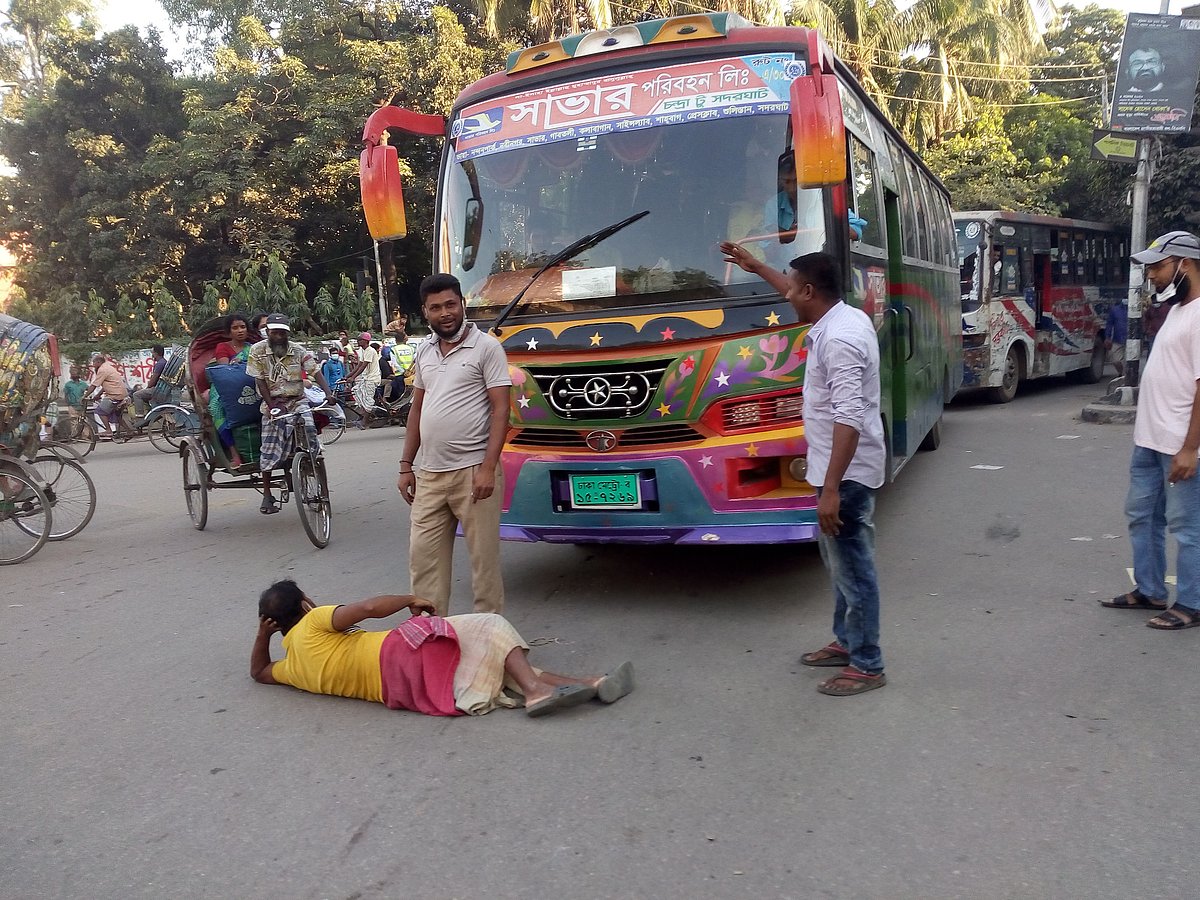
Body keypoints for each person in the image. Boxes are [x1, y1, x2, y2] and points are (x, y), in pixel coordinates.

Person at [720, 243, 887, 696]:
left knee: (854, 568)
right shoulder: (840, 317)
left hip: (846, 474)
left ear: (810, 291)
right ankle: (847, 640)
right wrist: (757, 267)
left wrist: (831, 489)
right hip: (834, 469)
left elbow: (848, 418)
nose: (786, 296)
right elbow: (795, 289)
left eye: (792, 289)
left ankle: (868, 665)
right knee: (838, 566)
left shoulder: (840, 340)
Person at [250, 580, 634, 718]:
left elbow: (259, 673)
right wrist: (410, 598)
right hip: (401, 653)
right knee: (489, 626)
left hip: (404, 691)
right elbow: (367, 609)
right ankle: (535, 692)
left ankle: (589, 683)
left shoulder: (292, 668)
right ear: (304, 605)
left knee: (491, 660)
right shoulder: (315, 621)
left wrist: (262, 637)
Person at [397, 274, 513, 616]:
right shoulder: (424, 351)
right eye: (436, 308)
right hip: (430, 475)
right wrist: (406, 466)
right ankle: (432, 643)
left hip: (474, 472)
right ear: (425, 312)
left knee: (484, 568)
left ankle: (489, 646)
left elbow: (501, 409)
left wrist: (488, 469)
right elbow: (417, 409)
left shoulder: (487, 348)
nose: (444, 313)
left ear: (462, 304)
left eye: (450, 304)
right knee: (424, 564)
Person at [1103, 231, 1200, 629]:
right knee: (1142, 516)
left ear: (1185, 264)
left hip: (1179, 443)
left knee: (1187, 527)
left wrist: (1190, 449)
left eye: (1158, 267)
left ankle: (1192, 604)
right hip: (1150, 441)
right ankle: (1150, 589)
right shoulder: (1179, 310)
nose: (1152, 276)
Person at [245, 314, 333, 514]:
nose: (278, 335)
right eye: (274, 331)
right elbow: (259, 380)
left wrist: (328, 394)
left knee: (311, 433)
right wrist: (273, 405)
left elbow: (315, 370)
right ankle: (267, 496)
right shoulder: (257, 351)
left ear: (287, 333)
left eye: (282, 332)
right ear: (268, 332)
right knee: (268, 447)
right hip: (272, 403)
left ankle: (318, 478)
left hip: (297, 400)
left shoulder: (297, 349)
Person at [209, 313, 253, 466]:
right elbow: (224, 371)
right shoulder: (222, 347)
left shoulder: (252, 348)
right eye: (235, 328)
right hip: (227, 387)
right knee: (216, 408)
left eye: (243, 327)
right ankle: (234, 453)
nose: (240, 330)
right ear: (229, 332)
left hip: (251, 384)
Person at [86, 352, 129, 440]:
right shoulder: (108, 367)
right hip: (120, 393)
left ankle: (108, 430)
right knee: (117, 415)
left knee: (100, 411)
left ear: (98, 362)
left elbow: (94, 385)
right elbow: (107, 385)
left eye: (94, 363)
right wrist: (98, 395)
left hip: (115, 395)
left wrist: (85, 396)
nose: (93, 365)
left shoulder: (102, 370)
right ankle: (129, 430)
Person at [345, 332, 381, 427]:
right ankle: (362, 416)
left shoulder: (370, 351)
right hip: (367, 378)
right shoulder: (364, 351)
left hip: (372, 379)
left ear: (366, 341)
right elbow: (358, 366)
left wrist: (353, 378)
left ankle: (364, 422)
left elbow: (363, 367)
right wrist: (347, 376)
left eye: (360, 340)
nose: (358, 341)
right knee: (356, 391)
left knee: (368, 400)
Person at [132, 345, 167, 418]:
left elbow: (153, 380)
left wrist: (147, 388)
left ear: (156, 353)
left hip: (157, 390)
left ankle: (140, 415)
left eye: (153, 353)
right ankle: (148, 411)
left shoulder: (159, 364)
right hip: (161, 389)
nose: (152, 355)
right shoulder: (164, 362)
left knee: (136, 394)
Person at [1104, 297, 1128, 378]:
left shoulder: (1136, 309)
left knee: (1128, 361)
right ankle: (1121, 373)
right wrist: (1107, 337)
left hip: (1131, 340)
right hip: (1117, 339)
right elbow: (1109, 324)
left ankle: (1125, 377)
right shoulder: (1115, 310)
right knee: (1115, 360)